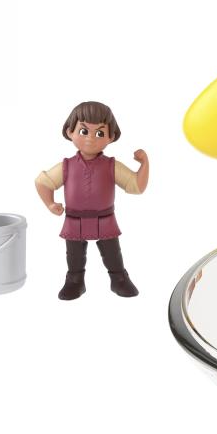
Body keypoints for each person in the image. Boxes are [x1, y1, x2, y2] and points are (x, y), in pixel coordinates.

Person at [35, 101, 149, 300]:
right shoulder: (66, 166)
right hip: (74, 219)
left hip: (105, 218)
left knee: (112, 252)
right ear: (70, 132)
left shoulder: (112, 166)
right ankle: (75, 280)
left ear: (111, 137)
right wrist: (50, 203)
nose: (90, 139)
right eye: (84, 131)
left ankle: (119, 278)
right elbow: (43, 182)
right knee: (74, 254)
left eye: (100, 133)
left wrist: (145, 163)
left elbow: (136, 186)